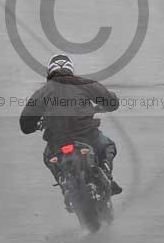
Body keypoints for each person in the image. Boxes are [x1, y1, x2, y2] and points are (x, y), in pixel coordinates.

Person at [19, 54, 122, 196]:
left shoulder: (42, 92)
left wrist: (36, 125)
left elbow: (25, 123)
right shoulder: (83, 84)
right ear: (70, 69)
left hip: (57, 141)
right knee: (108, 146)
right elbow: (111, 101)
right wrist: (105, 104)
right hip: (87, 135)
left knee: (48, 157)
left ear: (50, 72)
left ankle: (63, 183)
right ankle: (106, 173)